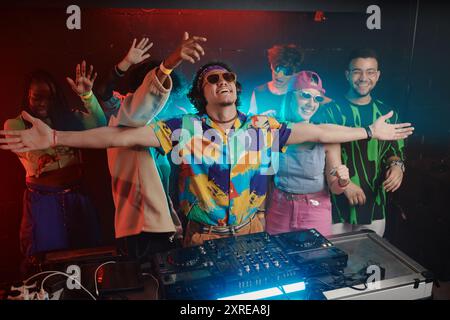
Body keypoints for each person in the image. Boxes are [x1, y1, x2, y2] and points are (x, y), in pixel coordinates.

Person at [0, 59, 414, 248]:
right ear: (202, 93)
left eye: (229, 77)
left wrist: (368, 131)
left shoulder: (262, 127)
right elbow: (118, 138)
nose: (224, 83)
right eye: (214, 79)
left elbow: (321, 130)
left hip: (253, 235)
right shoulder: (184, 130)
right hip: (199, 240)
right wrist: (54, 138)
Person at [95, 33, 205, 259]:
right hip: (142, 228)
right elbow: (106, 93)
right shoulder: (127, 112)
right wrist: (167, 64)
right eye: (162, 88)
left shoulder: (154, 124)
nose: (165, 100)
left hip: (156, 226)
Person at [3, 61, 106, 266]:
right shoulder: (15, 124)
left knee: (87, 254)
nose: (42, 103)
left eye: (48, 98)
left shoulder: (70, 118)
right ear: (27, 96)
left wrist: (87, 96)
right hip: (43, 200)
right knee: (46, 257)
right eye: (36, 97)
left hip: (76, 194)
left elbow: (101, 126)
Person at [319, 48, 406, 237]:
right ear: (347, 75)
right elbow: (319, 155)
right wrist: (344, 184)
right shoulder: (329, 111)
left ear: (378, 75)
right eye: (357, 71)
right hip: (334, 205)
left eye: (370, 72)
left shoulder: (388, 113)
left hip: (374, 205)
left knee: (368, 263)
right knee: (332, 263)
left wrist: (397, 166)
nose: (363, 77)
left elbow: (394, 152)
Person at [265, 71, 350, 236]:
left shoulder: (328, 136)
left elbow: (336, 188)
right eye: (305, 95)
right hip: (279, 210)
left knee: (316, 260)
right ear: (290, 97)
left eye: (317, 98)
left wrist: (343, 181)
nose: (311, 103)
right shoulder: (275, 128)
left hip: (315, 212)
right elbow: (262, 177)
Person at [249, 44, 303, 117]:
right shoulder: (259, 91)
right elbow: (249, 123)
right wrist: (260, 118)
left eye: (287, 71)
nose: (280, 76)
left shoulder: (299, 94)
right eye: (277, 68)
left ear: (294, 73)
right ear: (271, 65)